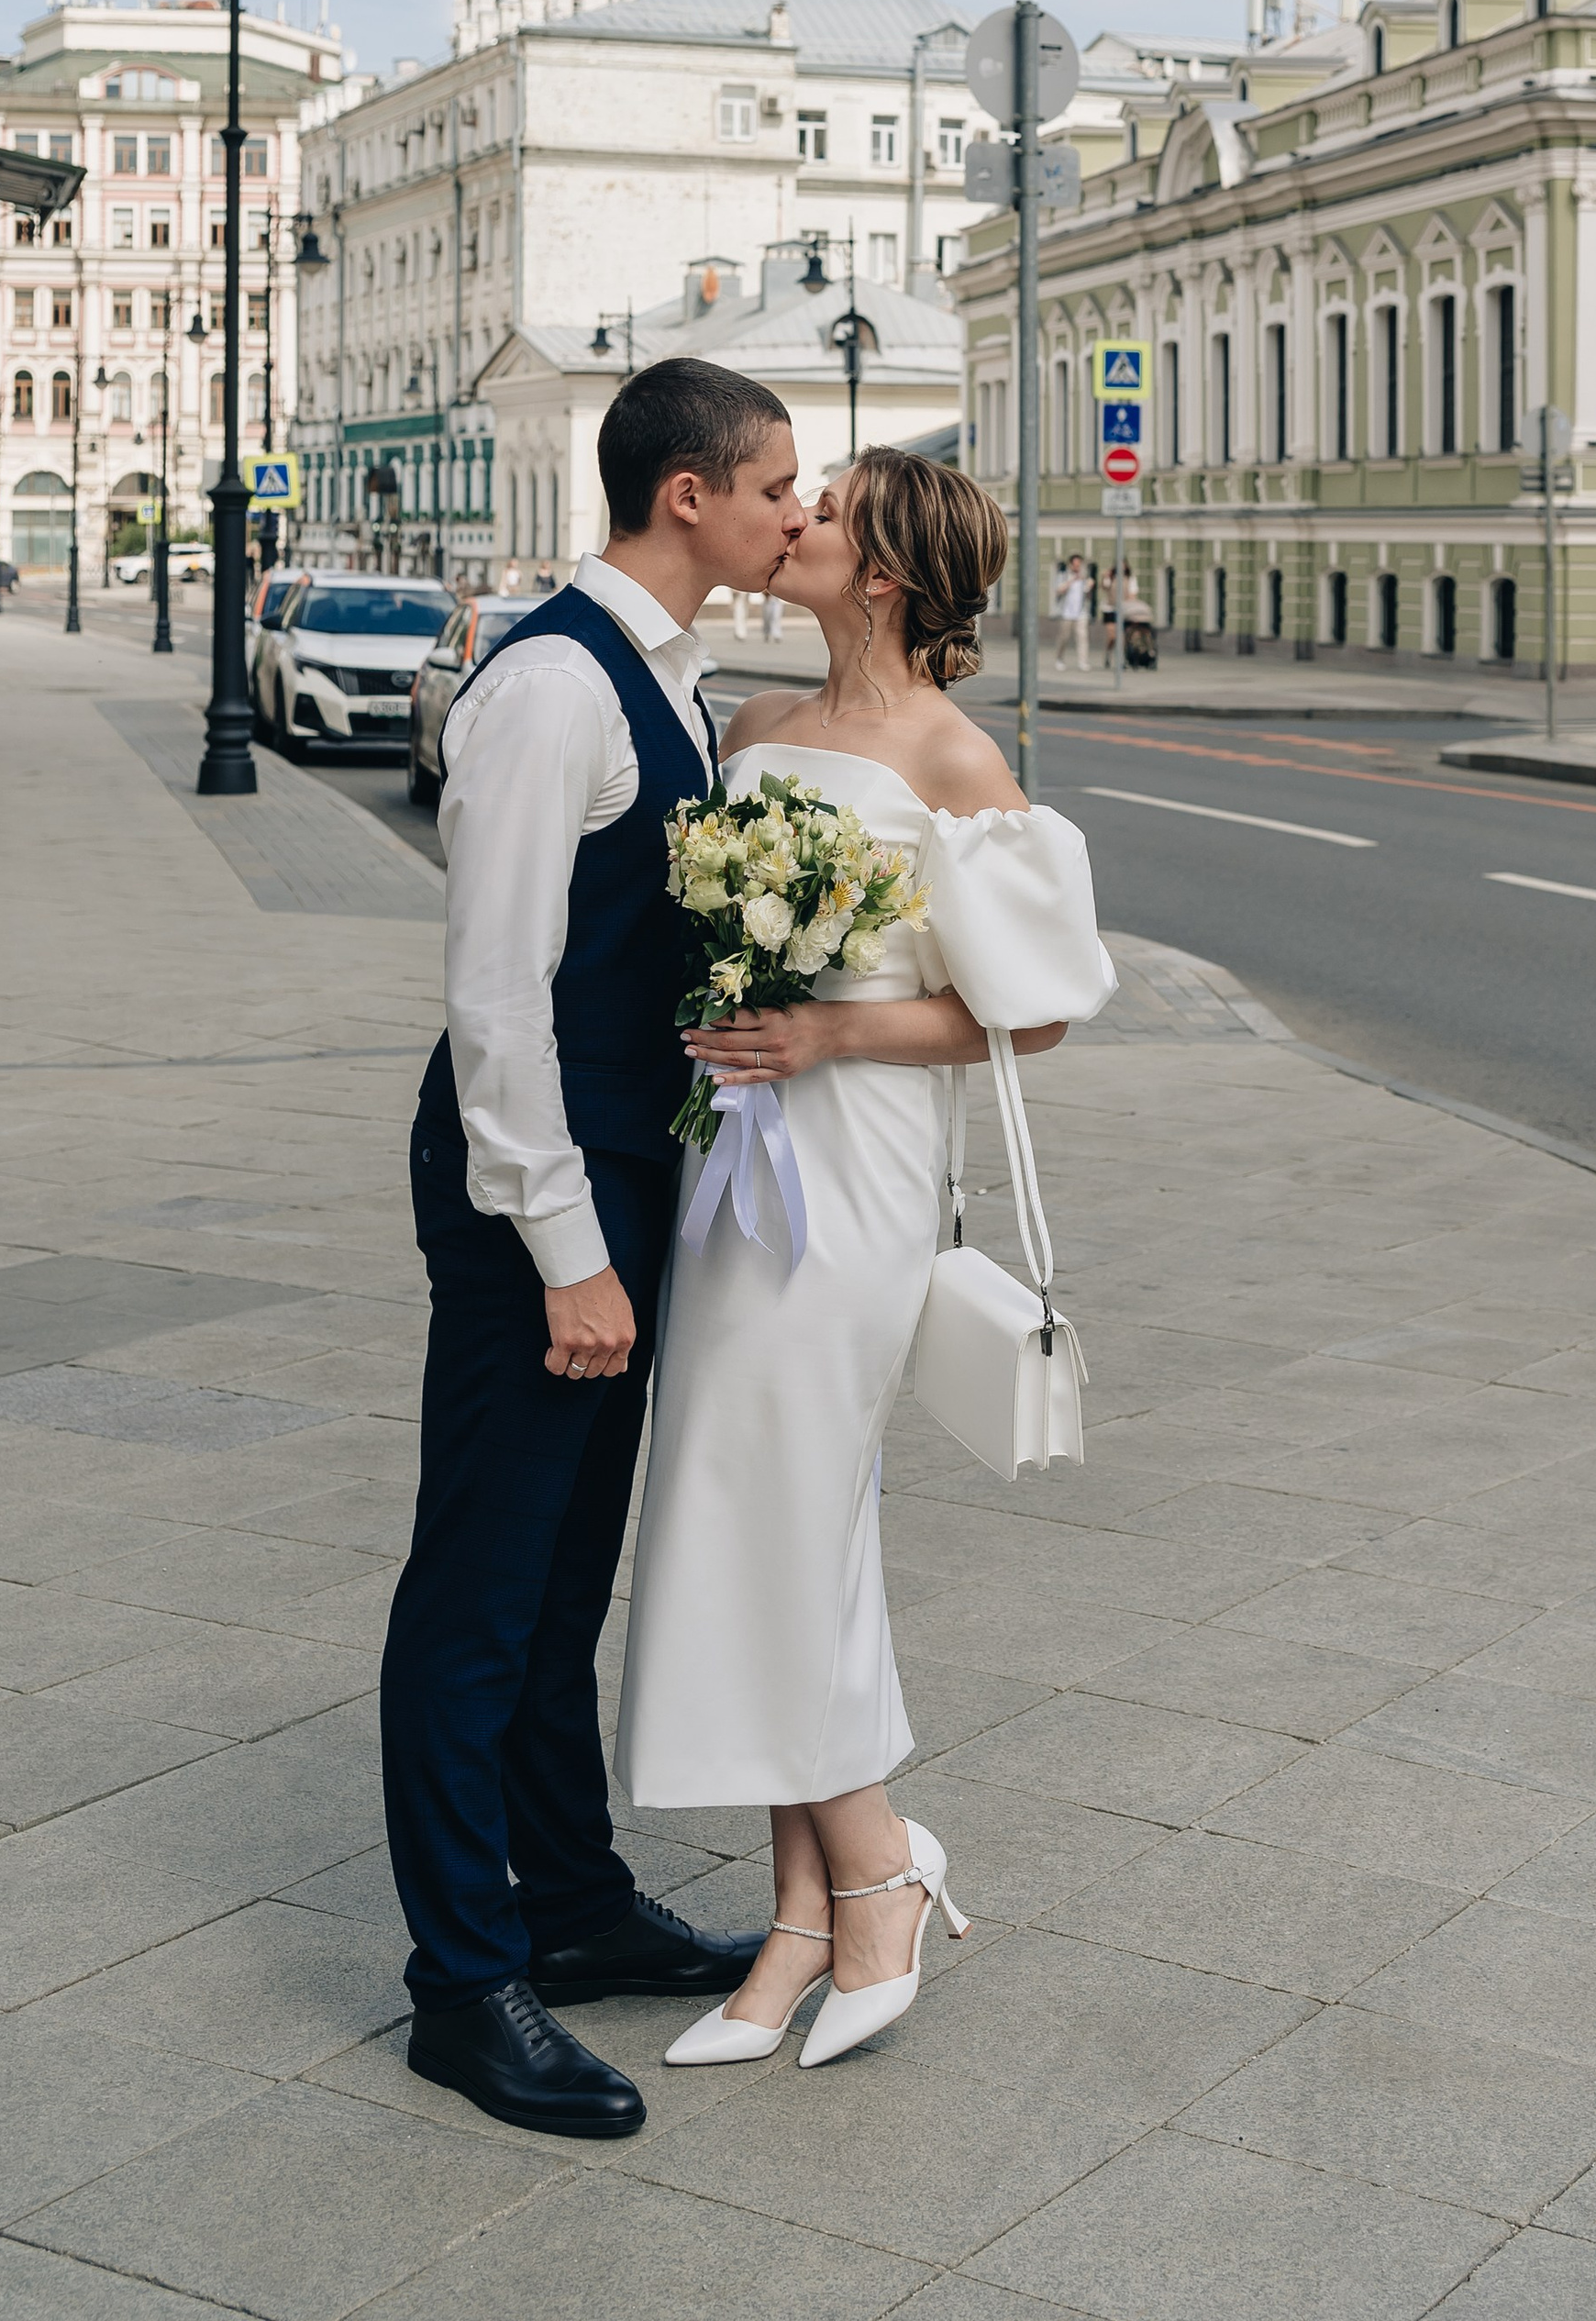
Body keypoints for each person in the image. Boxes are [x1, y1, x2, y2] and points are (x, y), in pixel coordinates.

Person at [615, 447, 1114, 2070]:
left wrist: (827, 1028)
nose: (792, 519)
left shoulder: (951, 753)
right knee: (767, 1508)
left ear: (885, 570)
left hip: (861, 1162)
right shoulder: (754, 729)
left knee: (788, 1501)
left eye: (821, 509)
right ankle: (805, 1918)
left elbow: (1027, 1007)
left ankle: (881, 1866)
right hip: (736, 1157)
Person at [380, 357, 808, 2140]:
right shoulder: (553, 680)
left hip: (620, 1167)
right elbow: (492, 996)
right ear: (688, 494)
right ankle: (459, 1982)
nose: (798, 511)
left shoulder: (667, 673)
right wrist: (561, 1243)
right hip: (531, 1184)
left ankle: (564, 1906)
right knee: (480, 1587)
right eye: (777, 482)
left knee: (563, 1580)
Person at [1051, 548, 1092, 671]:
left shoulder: (1085, 579)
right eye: (1075, 565)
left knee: (1082, 637)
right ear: (1070, 565)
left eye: (1079, 565)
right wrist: (1072, 580)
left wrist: (1089, 587)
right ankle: (1060, 659)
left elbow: (1088, 596)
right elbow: (1059, 590)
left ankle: (1083, 661)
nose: (1077, 567)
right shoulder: (1064, 576)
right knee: (1063, 638)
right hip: (1066, 613)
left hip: (1081, 613)